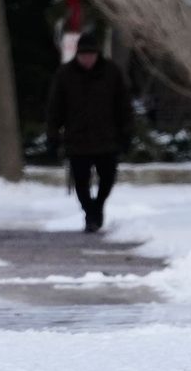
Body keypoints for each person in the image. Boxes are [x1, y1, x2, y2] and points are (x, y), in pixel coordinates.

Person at [46, 32, 134, 232]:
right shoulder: (65, 74)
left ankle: (98, 206)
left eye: (91, 55)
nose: (87, 59)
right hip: (77, 139)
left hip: (107, 138)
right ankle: (90, 212)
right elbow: (55, 108)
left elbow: (124, 105)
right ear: (77, 55)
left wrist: (126, 133)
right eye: (83, 55)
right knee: (81, 183)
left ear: (97, 54)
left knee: (108, 178)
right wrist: (53, 135)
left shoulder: (112, 72)